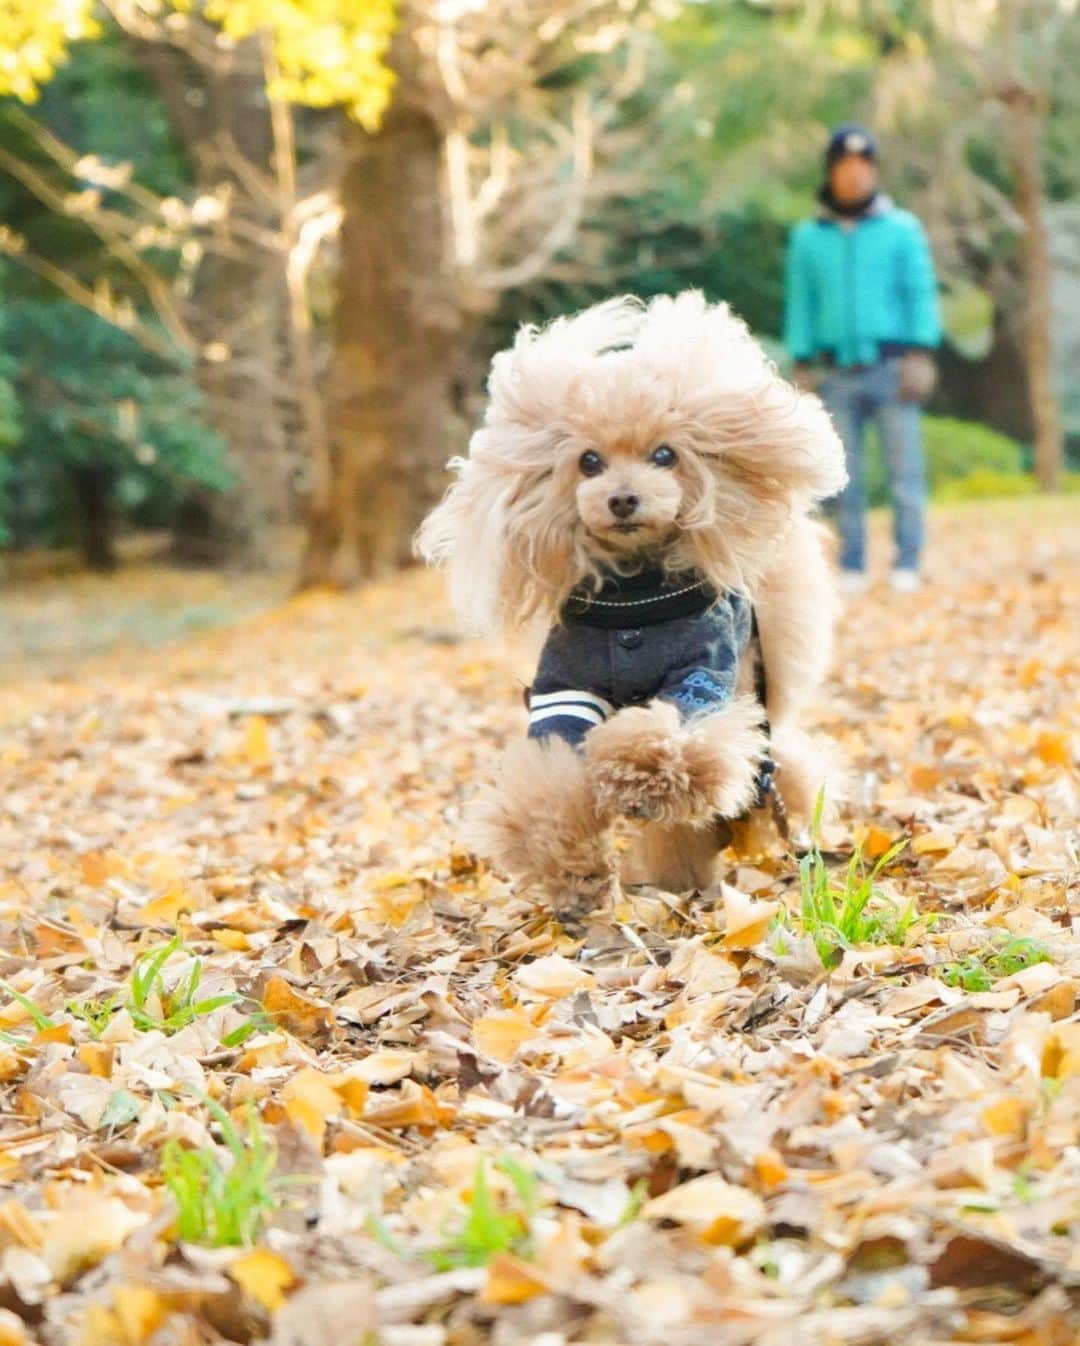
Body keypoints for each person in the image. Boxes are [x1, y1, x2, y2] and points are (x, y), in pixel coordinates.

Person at [784, 124, 941, 594]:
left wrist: (920, 352)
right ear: (831, 172)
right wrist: (802, 361)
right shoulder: (808, 237)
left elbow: (920, 293)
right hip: (834, 370)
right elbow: (801, 301)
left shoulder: (902, 229)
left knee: (903, 471)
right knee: (842, 476)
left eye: (862, 167)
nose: (854, 176)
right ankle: (852, 563)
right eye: (844, 167)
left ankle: (907, 561)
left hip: (893, 366)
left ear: (873, 171)